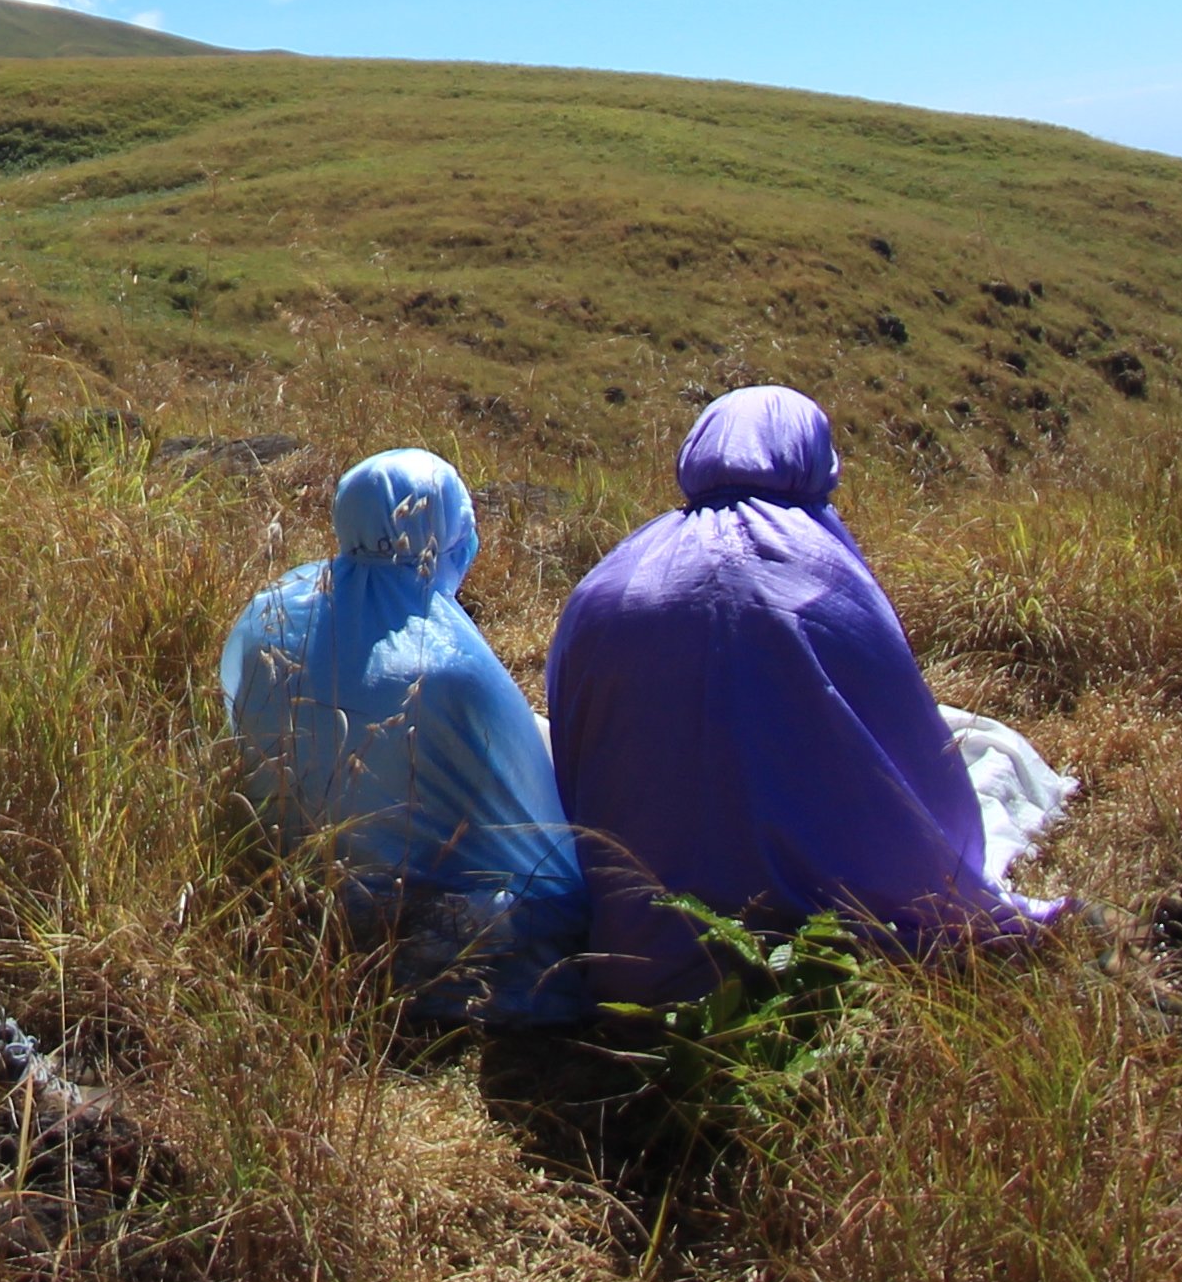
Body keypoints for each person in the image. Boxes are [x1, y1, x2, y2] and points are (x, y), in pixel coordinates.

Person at [540, 386, 1061, 1004]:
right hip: (830, 929)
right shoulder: (823, 571)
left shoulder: (610, 582)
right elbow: (908, 750)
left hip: (640, 940)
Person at [215, 450, 595, 1023]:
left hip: (288, 886)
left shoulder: (273, 614)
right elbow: (528, 817)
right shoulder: (449, 664)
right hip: (425, 913)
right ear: (444, 536)